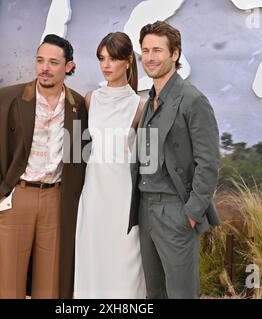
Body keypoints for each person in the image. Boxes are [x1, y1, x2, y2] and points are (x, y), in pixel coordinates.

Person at [0, 34, 88, 299]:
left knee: (50, 286)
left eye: (53, 62)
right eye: (40, 60)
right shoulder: (8, 98)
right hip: (17, 196)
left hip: (57, 200)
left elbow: (81, 158)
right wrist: (1, 197)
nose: (44, 67)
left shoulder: (78, 105)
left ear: (68, 66)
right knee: (9, 285)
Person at [128, 21, 221, 299]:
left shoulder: (193, 100)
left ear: (175, 54)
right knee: (154, 294)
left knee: (181, 294)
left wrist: (192, 212)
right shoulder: (149, 100)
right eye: (145, 51)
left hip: (176, 209)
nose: (150, 57)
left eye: (158, 50)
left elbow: (209, 162)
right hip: (146, 208)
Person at [74, 32, 147, 298]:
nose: (106, 65)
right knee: (92, 263)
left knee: (125, 269)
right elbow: (77, 153)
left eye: (113, 58)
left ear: (128, 61)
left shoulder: (141, 105)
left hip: (125, 199)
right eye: (101, 58)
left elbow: (149, 162)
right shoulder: (90, 99)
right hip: (93, 196)